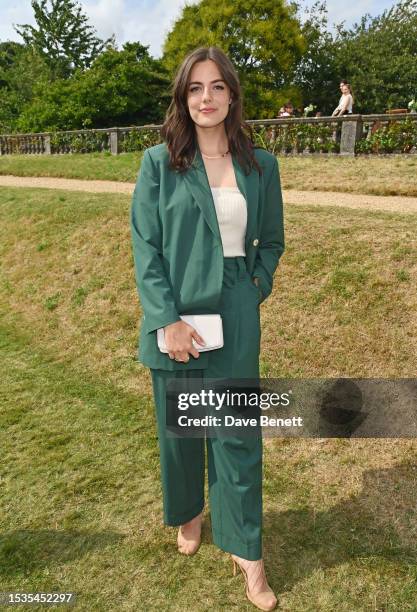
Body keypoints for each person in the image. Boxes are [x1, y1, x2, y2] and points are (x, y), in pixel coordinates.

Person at [130, 46, 285, 611]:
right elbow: (146, 247)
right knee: (181, 431)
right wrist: (164, 318)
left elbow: (271, 241)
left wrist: (252, 289)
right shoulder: (158, 162)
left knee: (237, 436)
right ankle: (189, 514)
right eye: (195, 88)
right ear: (182, 97)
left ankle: (249, 555)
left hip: (235, 312)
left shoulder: (261, 165)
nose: (206, 98)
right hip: (174, 315)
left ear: (232, 95)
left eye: (217, 87)